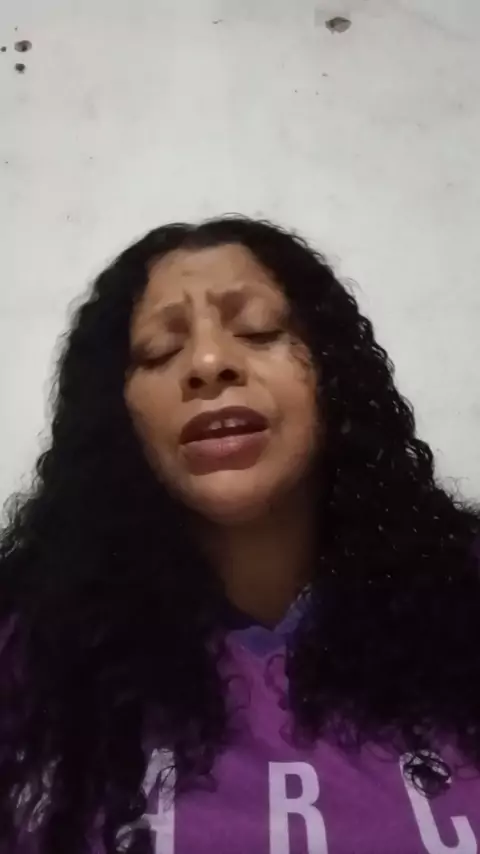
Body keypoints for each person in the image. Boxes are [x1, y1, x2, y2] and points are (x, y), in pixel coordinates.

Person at [0, 216, 479, 854]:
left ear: (331, 375)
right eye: (159, 351)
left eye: (257, 330)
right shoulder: (27, 651)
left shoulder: (465, 603)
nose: (207, 363)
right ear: (118, 416)